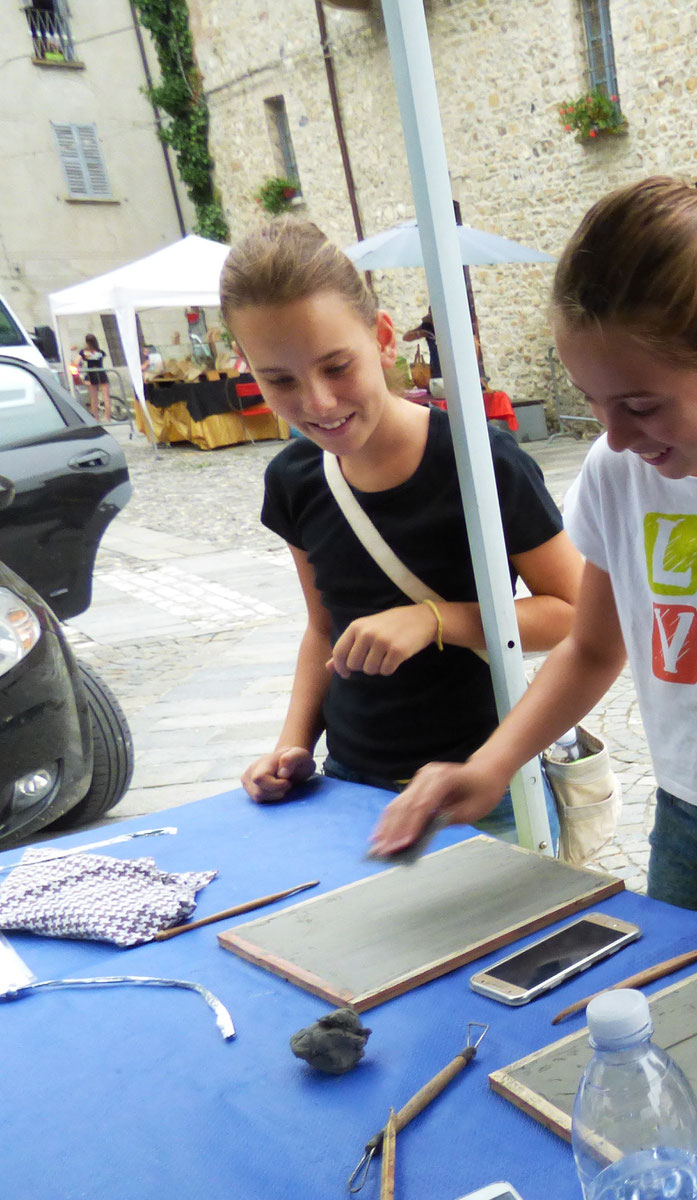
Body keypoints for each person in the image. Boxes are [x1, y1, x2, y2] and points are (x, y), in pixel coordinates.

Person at [369, 129, 697, 955]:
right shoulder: (620, 474)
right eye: (592, 400)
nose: (612, 434)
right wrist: (492, 765)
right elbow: (591, 648)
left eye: (641, 405)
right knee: (687, 1015)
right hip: (683, 817)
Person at [219, 218, 583, 836]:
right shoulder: (294, 479)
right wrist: (292, 744)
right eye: (279, 379)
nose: (319, 402)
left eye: (337, 366)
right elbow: (322, 628)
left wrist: (434, 620)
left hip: (483, 786)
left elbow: (574, 615)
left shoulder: (480, 461)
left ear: (383, 339)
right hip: (349, 787)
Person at [77, 333, 112, 422]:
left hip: (90, 374)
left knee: (93, 399)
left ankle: (96, 419)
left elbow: (76, 362)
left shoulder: (83, 352)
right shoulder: (100, 352)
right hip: (101, 373)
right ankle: (108, 418)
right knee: (106, 397)